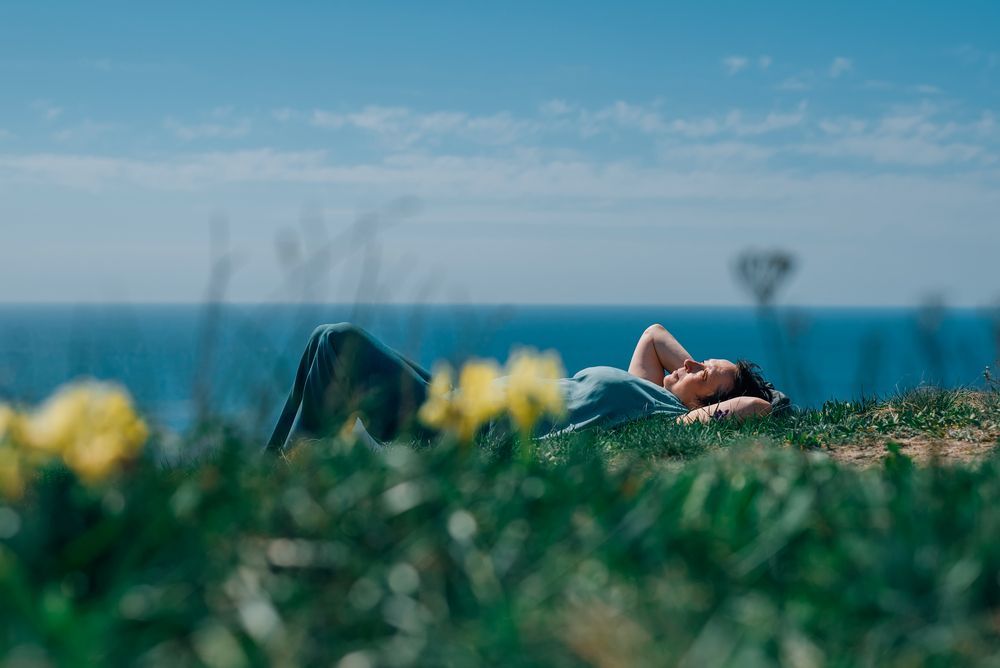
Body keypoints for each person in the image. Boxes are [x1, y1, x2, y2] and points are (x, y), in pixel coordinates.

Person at [265, 322, 782, 454]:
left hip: (458, 429)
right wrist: (699, 369)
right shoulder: (649, 389)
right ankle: (279, 465)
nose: (688, 363)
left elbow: (756, 405)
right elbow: (653, 334)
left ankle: (302, 470)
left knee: (339, 342)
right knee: (321, 342)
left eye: (703, 374)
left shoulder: (665, 417)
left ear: (709, 404)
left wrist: (768, 396)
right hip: (456, 400)